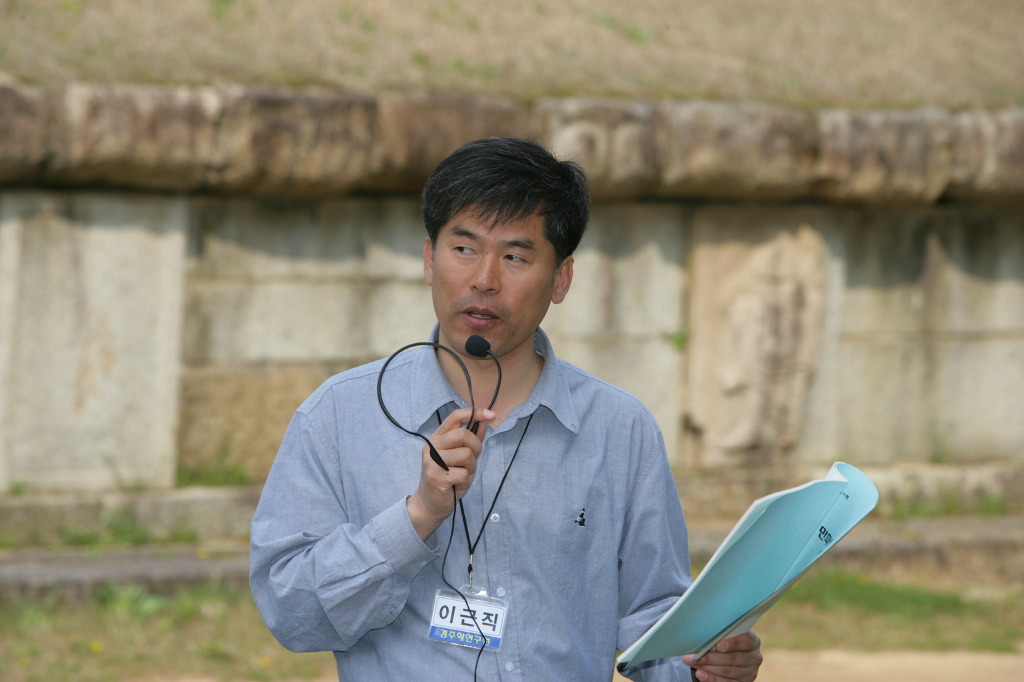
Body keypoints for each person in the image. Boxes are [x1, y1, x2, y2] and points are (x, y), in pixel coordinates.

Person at [249, 137, 763, 681]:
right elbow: (291, 612)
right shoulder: (338, 415)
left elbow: (655, 621)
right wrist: (417, 517)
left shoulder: (620, 430)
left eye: (515, 257)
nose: (484, 279)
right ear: (429, 259)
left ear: (561, 278)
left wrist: (704, 665)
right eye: (464, 249)